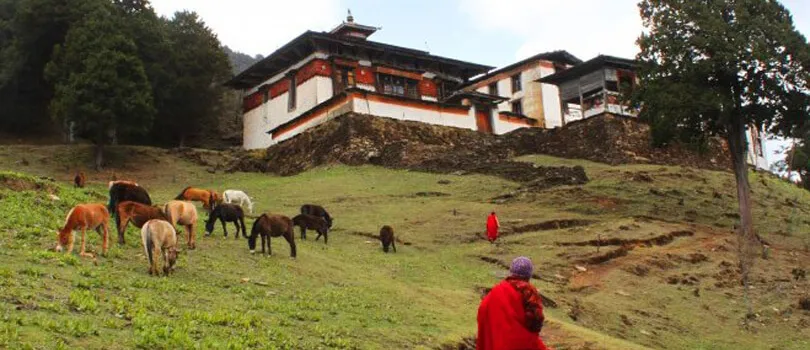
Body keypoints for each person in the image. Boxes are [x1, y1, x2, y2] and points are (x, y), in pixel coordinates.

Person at [477, 256, 548, 350]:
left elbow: (483, 310)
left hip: (496, 340)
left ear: (511, 272)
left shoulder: (497, 290)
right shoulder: (528, 290)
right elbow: (536, 318)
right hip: (519, 341)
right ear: (529, 275)